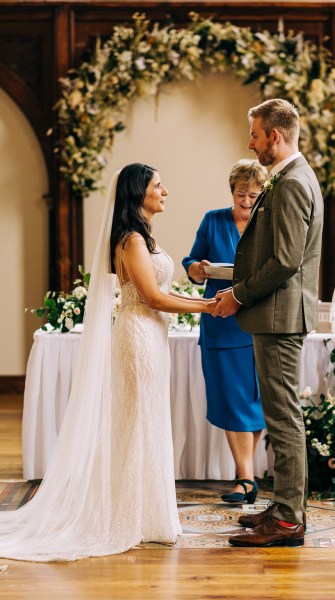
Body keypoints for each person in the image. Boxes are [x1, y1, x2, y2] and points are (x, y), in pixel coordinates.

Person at [0, 163, 217, 562]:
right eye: (157, 185)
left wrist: (201, 304)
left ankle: (145, 515)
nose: (165, 190)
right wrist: (207, 306)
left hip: (151, 335)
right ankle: (124, 516)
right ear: (139, 193)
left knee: (145, 420)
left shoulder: (141, 236)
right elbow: (152, 297)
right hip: (138, 335)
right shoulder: (132, 239)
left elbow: (157, 293)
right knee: (135, 422)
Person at [212, 99, 324, 548]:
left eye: (255, 135)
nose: (251, 143)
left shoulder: (293, 182)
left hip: (279, 316)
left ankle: (289, 520)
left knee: (283, 418)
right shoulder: (288, 178)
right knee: (279, 417)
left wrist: (238, 295)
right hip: (275, 313)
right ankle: (281, 508)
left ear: (275, 136)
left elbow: (284, 261)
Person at [182, 159, 267, 504]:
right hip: (219, 322)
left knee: (253, 402)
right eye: (241, 194)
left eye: (253, 195)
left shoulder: (269, 222)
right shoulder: (212, 220)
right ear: (231, 192)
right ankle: (246, 477)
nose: (246, 201)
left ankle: (244, 477)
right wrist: (198, 270)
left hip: (259, 322)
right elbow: (190, 262)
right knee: (231, 401)